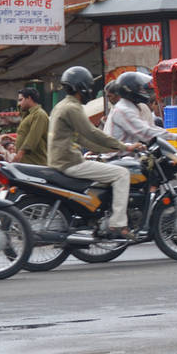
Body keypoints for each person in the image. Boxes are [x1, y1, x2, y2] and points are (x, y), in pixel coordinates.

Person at [48, 66, 143, 240]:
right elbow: (92, 133)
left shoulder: (61, 105)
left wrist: (109, 149)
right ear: (81, 88)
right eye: (89, 87)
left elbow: (81, 139)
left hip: (60, 160)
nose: (91, 91)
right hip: (70, 162)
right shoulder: (73, 108)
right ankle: (118, 224)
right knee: (122, 174)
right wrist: (125, 147)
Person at [103, 71, 177, 147]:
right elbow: (144, 131)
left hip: (130, 154)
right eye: (139, 88)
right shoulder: (123, 110)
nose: (143, 91)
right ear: (130, 89)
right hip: (118, 156)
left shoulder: (132, 107)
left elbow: (150, 127)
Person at [12, 87, 48, 165]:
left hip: (35, 163)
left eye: (21, 100)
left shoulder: (39, 114)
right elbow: (21, 111)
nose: (19, 104)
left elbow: (33, 137)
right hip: (25, 162)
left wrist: (20, 154)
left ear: (29, 98)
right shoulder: (27, 115)